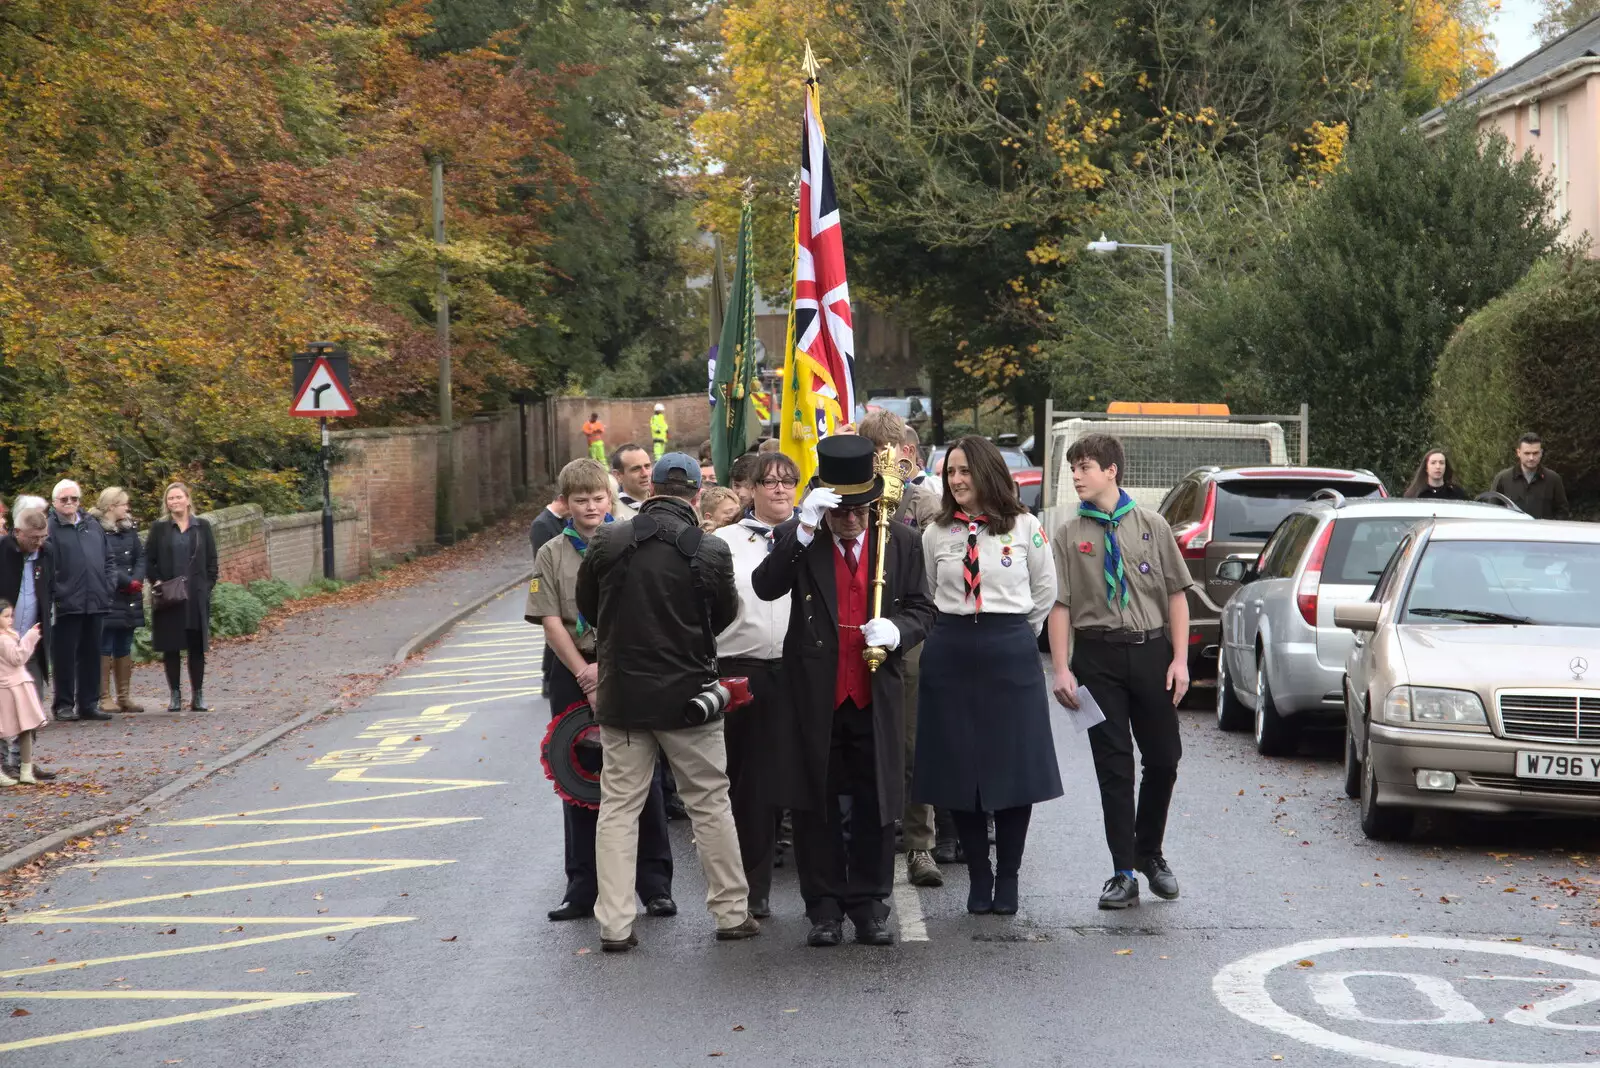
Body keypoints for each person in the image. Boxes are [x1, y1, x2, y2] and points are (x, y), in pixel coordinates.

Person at [752, 435, 936, 947]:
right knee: (817, 805)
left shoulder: (899, 540)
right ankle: (824, 907)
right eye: (841, 510)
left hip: (875, 693)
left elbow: (924, 610)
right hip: (817, 694)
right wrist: (803, 528)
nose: (851, 519)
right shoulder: (804, 536)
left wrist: (899, 629)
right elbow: (767, 585)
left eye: (860, 509)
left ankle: (871, 905)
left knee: (878, 802)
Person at [576, 452, 760, 952]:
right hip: (690, 698)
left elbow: (589, 607)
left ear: (650, 487)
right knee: (709, 804)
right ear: (695, 495)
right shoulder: (709, 549)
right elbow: (720, 617)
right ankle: (730, 911)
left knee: (618, 808)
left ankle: (614, 923)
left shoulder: (610, 539)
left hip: (623, 699)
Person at [913, 437, 1061, 914]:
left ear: (987, 473)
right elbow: (929, 592)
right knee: (961, 771)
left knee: (1014, 770)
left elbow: (1044, 592)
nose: (956, 481)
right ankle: (979, 875)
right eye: (951, 472)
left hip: (1009, 651)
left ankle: (1009, 876)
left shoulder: (1024, 527)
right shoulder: (935, 533)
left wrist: (1011, 633)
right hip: (950, 650)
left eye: (965, 472)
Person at [1048, 433, 1193, 910]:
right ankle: (1123, 872)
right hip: (1097, 659)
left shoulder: (1152, 525)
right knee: (1114, 767)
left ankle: (1149, 852)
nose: (1076, 476)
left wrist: (1179, 660)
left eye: (1084, 466)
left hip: (1150, 652)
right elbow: (1061, 604)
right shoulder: (1070, 535)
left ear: (1111, 470)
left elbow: (1175, 595)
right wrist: (1063, 669)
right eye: (1073, 468)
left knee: (1164, 758)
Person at [528, 458, 674, 924]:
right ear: (566, 504)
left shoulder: (634, 541)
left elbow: (645, 610)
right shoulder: (552, 551)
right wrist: (585, 672)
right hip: (572, 668)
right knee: (578, 777)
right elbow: (550, 617)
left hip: (628, 666)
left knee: (640, 774)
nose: (590, 507)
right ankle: (582, 887)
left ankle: (654, 885)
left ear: (609, 500)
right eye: (580, 500)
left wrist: (607, 670)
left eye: (597, 498)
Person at [855, 409, 944, 887]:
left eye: (892, 455)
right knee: (859, 742)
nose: (884, 465)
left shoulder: (922, 503)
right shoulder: (852, 500)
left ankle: (919, 846)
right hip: (855, 632)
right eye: (875, 456)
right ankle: (864, 838)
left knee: (911, 746)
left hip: (907, 635)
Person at [711, 451, 801, 920]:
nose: (780, 490)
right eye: (770, 482)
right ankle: (754, 886)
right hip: (742, 669)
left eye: (788, 482)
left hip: (800, 671)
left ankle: (821, 894)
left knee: (806, 780)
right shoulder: (724, 542)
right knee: (750, 787)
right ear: (752, 490)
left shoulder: (812, 535)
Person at [146, 482, 219, 712]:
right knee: (172, 646)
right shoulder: (159, 528)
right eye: (170, 499)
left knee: (196, 647)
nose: (174, 502)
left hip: (195, 596)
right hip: (169, 595)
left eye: (178, 497)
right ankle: (175, 694)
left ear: (188, 500)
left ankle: (198, 695)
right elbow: (148, 560)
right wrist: (157, 581)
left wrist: (206, 587)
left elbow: (212, 561)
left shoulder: (202, 527)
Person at [48, 479, 116, 721]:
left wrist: (108, 586)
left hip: (95, 599)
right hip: (67, 602)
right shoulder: (50, 528)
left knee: (91, 653)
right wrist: (59, 592)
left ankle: (89, 703)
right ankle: (64, 704)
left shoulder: (92, 525)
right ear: (54, 502)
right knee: (65, 656)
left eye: (74, 499)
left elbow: (108, 559)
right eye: (64, 499)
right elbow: (47, 566)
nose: (69, 503)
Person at [0, 509, 57, 780]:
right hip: (4, 643)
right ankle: (3, 764)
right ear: (18, 532)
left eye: (43, 537)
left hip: (32, 639)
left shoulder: (46, 553)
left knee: (32, 701)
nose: (38, 542)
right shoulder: (4, 552)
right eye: (33, 537)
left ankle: (24, 762)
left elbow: (51, 588)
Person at [91, 487, 146, 713]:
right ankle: (104, 696)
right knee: (105, 645)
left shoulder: (129, 529)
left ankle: (124, 695)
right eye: (124, 504)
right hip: (109, 594)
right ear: (112, 506)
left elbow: (140, 555)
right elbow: (104, 560)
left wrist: (137, 578)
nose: (127, 508)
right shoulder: (96, 530)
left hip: (130, 596)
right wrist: (125, 580)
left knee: (124, 644)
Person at [0, 601, 46, 787]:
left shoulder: (8, 635)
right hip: (8, 687)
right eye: (5, 616)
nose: (10, 620)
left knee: (25, 727)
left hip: (18, 686)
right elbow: (18, 658)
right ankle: (11, 770)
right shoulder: (3, 639)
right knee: (4, 729)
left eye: (11, 616)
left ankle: (26, 769)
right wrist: (31, 636)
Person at [1491, 432, 1568, 518]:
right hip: (1512, 531)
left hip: (1543, 531)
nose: (1531, 458)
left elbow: (1562, 512)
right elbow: (1492, 511)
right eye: (1527, 453)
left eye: (1535, 453)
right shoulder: (1503, 479)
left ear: (1541, 453)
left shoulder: (1553, 479)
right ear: (1518, 452)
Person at [1401, 448, 1468, 500]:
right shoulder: (1414, 494)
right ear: (1426, 467)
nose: (1438, 467)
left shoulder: (1456, 493)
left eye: (1441, 463)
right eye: (1433, 463)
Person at [610, 443, 654, 519]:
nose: (645, 474)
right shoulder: (613, 514)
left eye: (647, 466)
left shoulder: (664, 503)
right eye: (636, 469)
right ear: (618, 475)